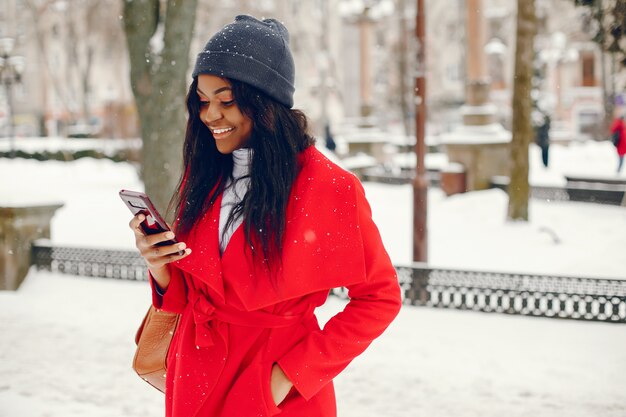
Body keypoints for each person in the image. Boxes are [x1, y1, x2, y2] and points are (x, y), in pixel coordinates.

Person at [128, 15, 401, 417]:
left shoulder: (329, 187)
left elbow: (380, 299)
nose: (210, 116)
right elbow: (199, 294)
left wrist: (285, 378)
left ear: (265, 101)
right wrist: (160, 266)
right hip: (195, 378)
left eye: (226, 100)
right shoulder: (206, 173)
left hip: (275, 386)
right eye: (202, 101)